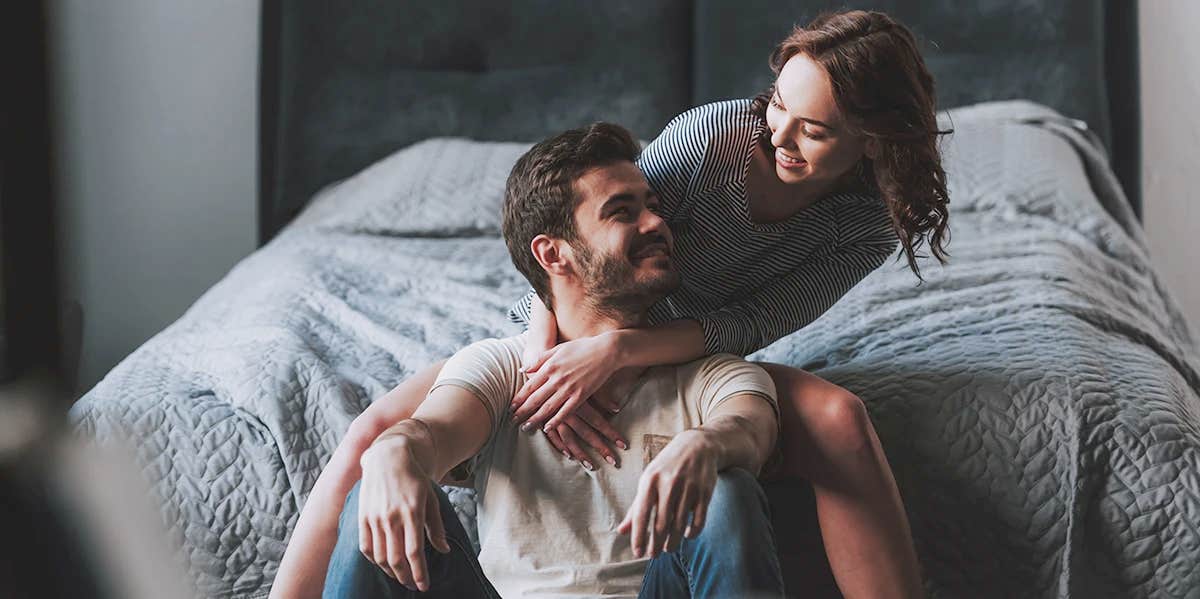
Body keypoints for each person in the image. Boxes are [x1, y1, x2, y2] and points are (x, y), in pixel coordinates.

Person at [273, 9, 947, 599]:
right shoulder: (712, 141)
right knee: (375, 438)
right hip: (589, 313)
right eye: (777, 104)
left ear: (871, 141)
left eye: (814, 130)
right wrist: (545, 358)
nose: (779, 136)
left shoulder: (867, 225)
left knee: (841, 420)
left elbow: (755, 323)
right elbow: (589, 237)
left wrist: (624, 352)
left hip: (692, 345)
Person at [322, 123, 784, 598]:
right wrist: (395, 449)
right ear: (553, 254)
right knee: (370, 495)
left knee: (724, 491)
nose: (656, 225)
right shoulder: (501, 368)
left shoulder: (713, 374)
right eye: (622, 213)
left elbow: (749, 430)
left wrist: (707, 445)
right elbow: (434, 434)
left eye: (653, 206)